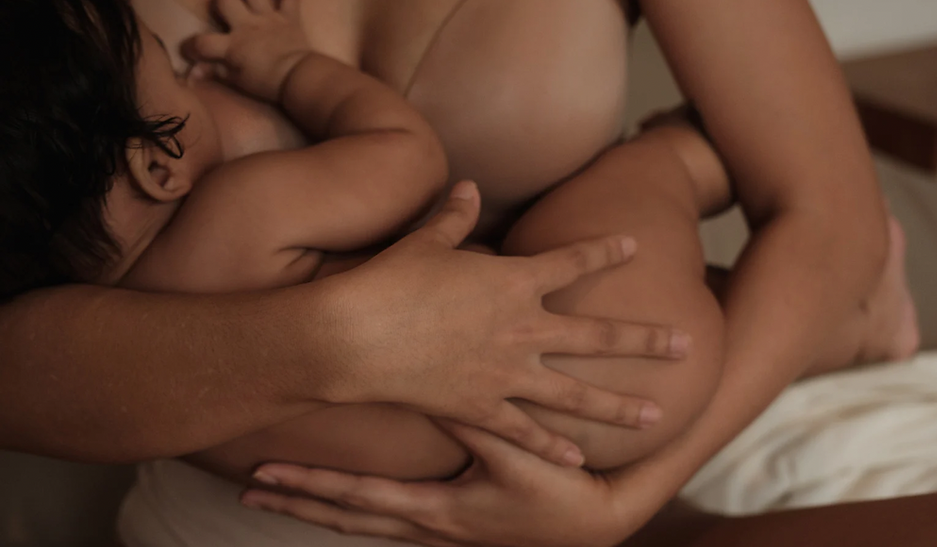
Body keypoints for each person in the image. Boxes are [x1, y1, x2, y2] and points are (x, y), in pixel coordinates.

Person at [0, 0, 686, 469]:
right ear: (157, 165)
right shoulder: (241, 207)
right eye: (177, 76)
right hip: (591, 386)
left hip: (452, 457)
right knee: (640, 182)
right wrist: (293, 69)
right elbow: (410, 159)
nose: (193, 79)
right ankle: (691, 165)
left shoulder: (115, 351)